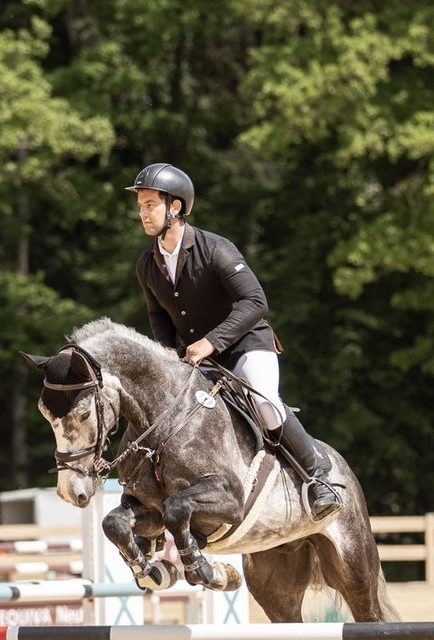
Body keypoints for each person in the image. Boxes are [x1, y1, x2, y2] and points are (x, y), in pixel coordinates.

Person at [126, 162, 341, 522]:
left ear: (174, 207)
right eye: (141, 206)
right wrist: (165, 351)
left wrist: (211, 341)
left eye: (150, 204)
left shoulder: (215, 249)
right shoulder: (147, 264)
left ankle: (319, 477)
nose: (143, 213)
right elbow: (158, 317)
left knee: (265, 401)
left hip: (247, 345)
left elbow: (255, 302)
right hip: (198, 359)